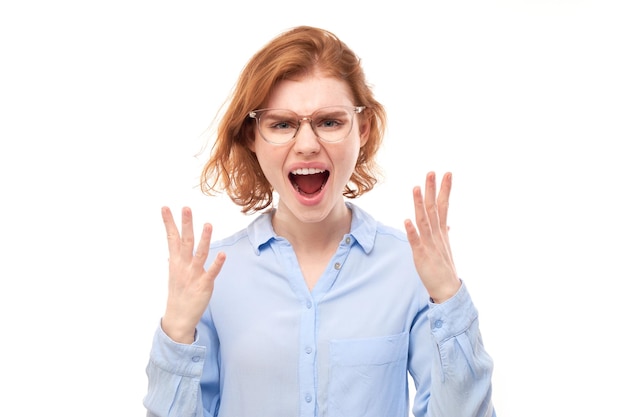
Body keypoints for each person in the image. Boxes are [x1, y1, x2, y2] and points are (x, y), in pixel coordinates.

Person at [144, 25, 496, 417]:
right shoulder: (212, 277)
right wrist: (176, 333)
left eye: (330, 122)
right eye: (282, 124)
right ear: (251, 137)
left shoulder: (410, 268)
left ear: (361, 130)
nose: (308, 144)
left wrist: (450, 300)